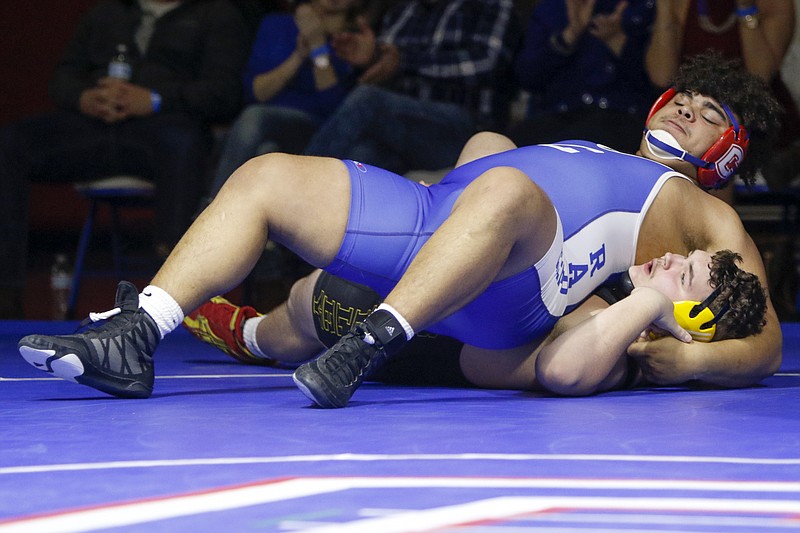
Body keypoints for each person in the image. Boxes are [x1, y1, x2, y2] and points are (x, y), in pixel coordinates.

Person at [17, 52, 783, 409]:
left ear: (728, 153)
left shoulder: (694, 206)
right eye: (686, 98)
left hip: (511, 283)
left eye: (713, 115)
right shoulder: (598, 151)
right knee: (271, 176)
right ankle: (137, 335)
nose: (690, 109)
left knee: (504, 182)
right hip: (443, 227)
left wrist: (673, 361)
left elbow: (766, 340)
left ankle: (368, 343)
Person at [185, 246, 768, 396]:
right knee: (299, 309)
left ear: (687, 315)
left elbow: (563, 373)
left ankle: (244, 334)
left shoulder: (630, 353)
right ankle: (246, 333)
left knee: (304, 303)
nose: (669, 260)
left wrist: (649, 304)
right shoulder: (620, 292)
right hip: (427, 311)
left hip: (403, 339)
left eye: (682, 276)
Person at [0, 0, 251, 318]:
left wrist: (156, 99)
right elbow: (63, 76)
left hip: (165, 126)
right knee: (10, 143)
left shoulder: (215, 14)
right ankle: (6, 290)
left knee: (183, 143)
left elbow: (224, 93)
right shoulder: (108, 11)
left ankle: (172, 295)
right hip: (95, 126)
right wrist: (84, 97)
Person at [301, 0, 521, 175]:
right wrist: (371, 60)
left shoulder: (491, 5)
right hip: (400, 128)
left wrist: (403, 62)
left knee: (368, 99)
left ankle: (294, 183)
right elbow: (386, 72)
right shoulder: (402, 12)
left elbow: (486, 64)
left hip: (464, 129)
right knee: (362, 156)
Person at [207, 0, 365, 199]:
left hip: (315, 132)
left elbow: (335, 111)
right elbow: (257, 92)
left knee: (255, 118)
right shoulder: (276, 24)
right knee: (266, 149)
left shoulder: (356, 39)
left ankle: (212, 210)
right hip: (263, 128)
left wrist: (318, 47)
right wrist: (299, 56)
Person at [645, 0, 799, 191]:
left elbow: (760, 75)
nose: (685, 110)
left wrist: (746, 7)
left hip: (754, 125)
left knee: (716, 151)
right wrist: (665, 8)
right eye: (679, 101)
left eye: (707, 116)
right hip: (689, 125)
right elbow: (661, 75)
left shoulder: (775, 4)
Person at [508, 0, 657, 153]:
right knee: (500, 144)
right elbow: (527, 77)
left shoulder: (647, 9)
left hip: (619, 122)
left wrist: (620, 42)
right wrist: (570, 34)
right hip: (552, 120)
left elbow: (661, 83)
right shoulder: (554, 7)